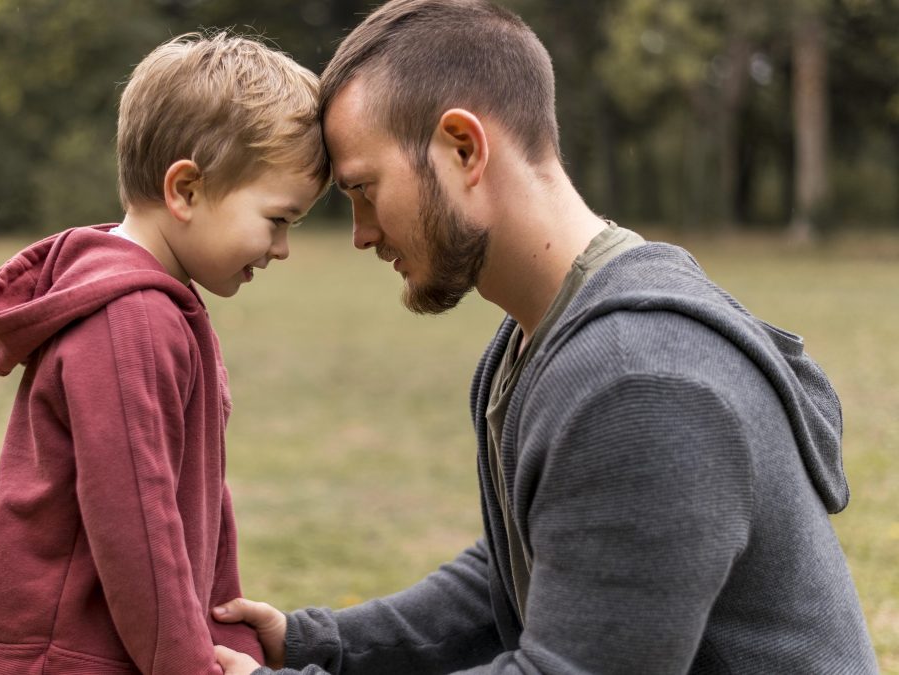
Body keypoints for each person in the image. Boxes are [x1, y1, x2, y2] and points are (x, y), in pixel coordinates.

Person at [211, 0, 878, 673]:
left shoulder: (639, 379)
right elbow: (515, 575)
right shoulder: (543, 335)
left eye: (365, 188)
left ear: (463, 148)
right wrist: (320, 643)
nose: (361, 232)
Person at [0, 32, 329, 674]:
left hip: (108, 644)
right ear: (185, 190)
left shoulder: (158, 303)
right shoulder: (132, 318)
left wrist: (220, 625)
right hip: (70, 653)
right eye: (278, 219)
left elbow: (189, 488)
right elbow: (135, 522)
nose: (282, 248)